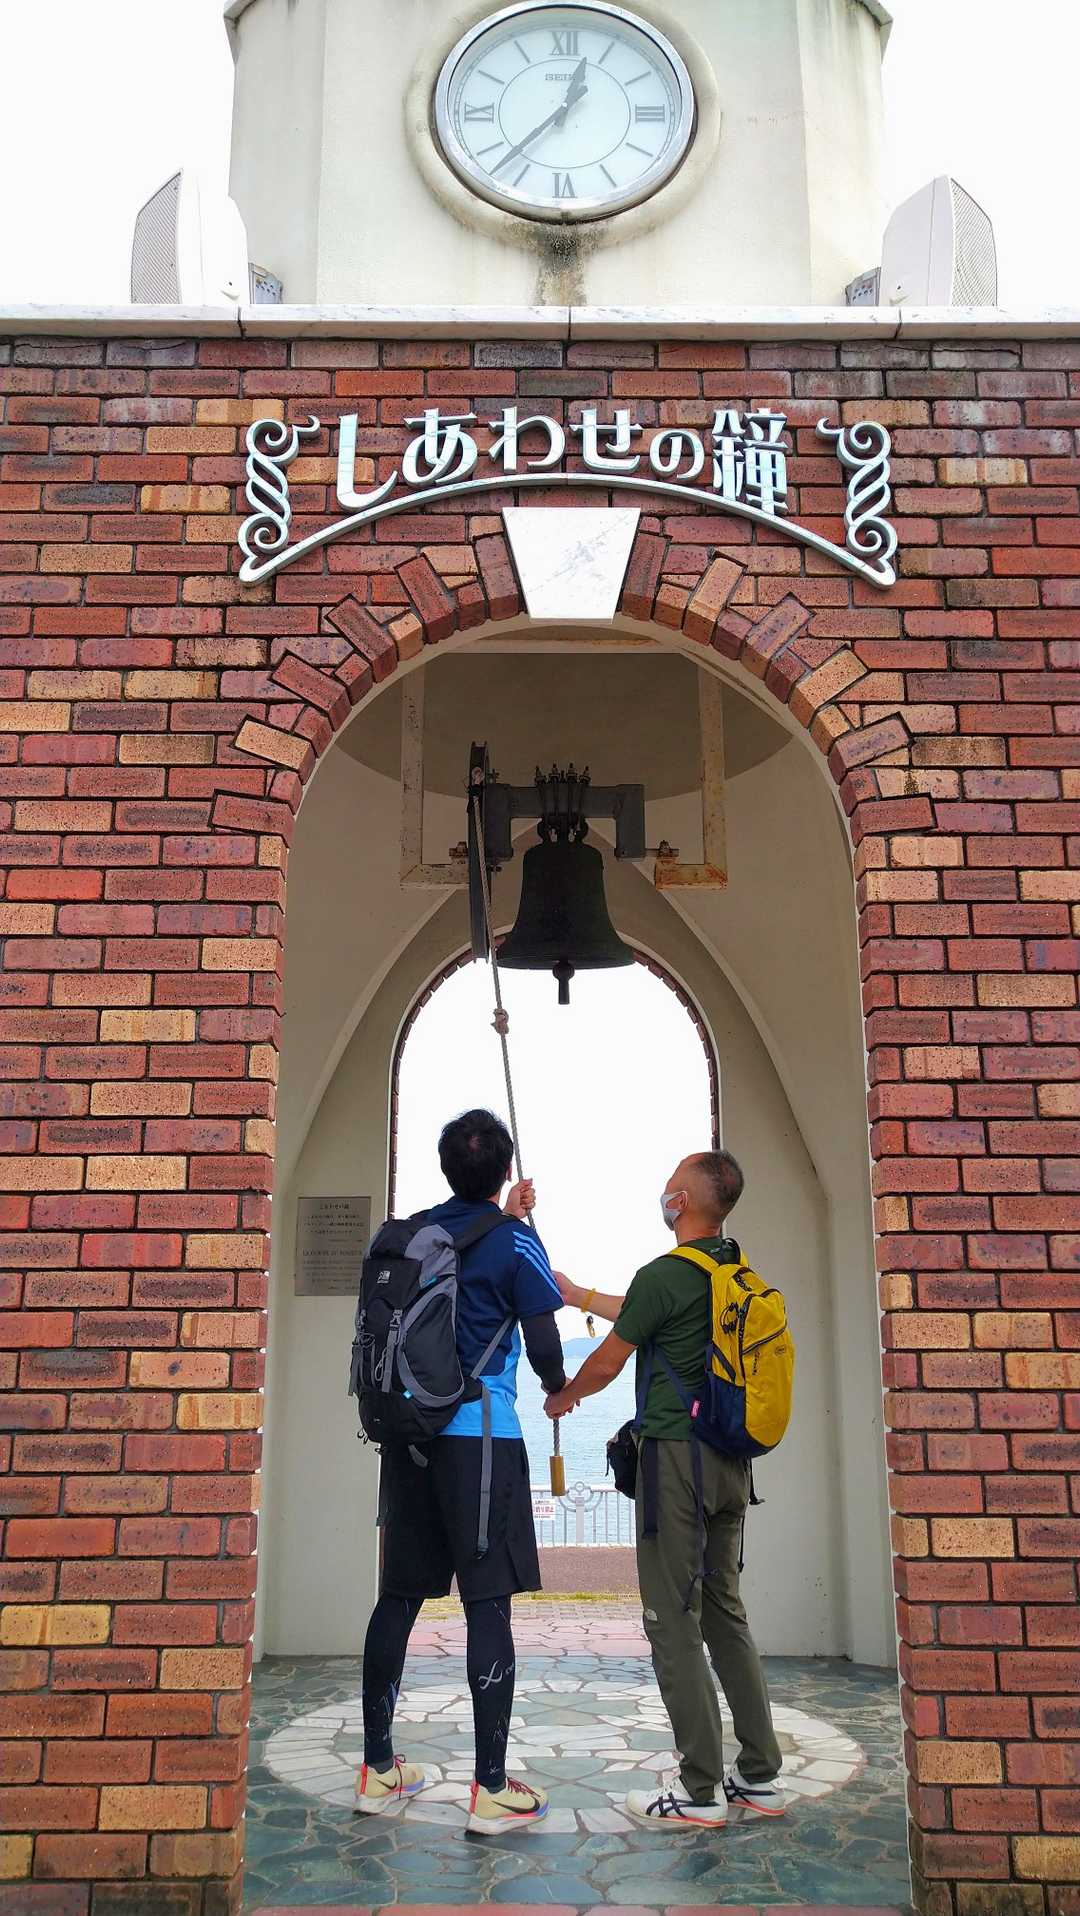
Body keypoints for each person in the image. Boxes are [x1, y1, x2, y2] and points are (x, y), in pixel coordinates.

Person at [545, 1149, 785, 1829]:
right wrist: (577, 1294)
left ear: (682, 1202)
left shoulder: (665, 1274)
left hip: (676, 1463)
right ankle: (759, 1775)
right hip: (732, 1464)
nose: (664, 1194)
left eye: (670, 1185)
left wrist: (564, 1396)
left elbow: (608, 1359)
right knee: (723, 1611)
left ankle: (700, 1789)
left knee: (671, 1616)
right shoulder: (733, 1272)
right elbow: (638, 1312)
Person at [356, 1108, 567, 1834]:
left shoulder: (415, 1235)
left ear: (447, 1168)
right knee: (487, 1604)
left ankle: (378, 1770)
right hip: (481, 1437)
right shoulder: (515, 1241)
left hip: (407, 1434)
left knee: (397, 1599)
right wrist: (558, 1390)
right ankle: (491, 1788)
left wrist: (508, 1217)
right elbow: (544, 1342)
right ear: (505, 1171)